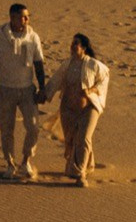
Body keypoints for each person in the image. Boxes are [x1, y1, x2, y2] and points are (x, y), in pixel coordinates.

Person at [0, 2, 49, 179]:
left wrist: (42, 87)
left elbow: (38, 63)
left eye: (27, 16)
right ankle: (10, 163)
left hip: (27, 89)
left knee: (33, 127)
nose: (26, 20)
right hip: (5, 89)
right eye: (22, 17)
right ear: (12, 17)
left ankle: (26, 160)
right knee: (6, 129)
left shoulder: (33, 37)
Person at [45, 33, 111, 186]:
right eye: (72, 43)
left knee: (84, 137)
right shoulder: (67, 64)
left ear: (84, 47)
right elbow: (56, 80)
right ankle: (89, 164)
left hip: (88, 108)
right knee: (72, 138)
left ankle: (81, 174)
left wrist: (91, 90)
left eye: (76, 43)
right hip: (68, 109)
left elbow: (104, 78)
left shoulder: (94, 64)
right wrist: (45, 94)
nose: (73, 46)